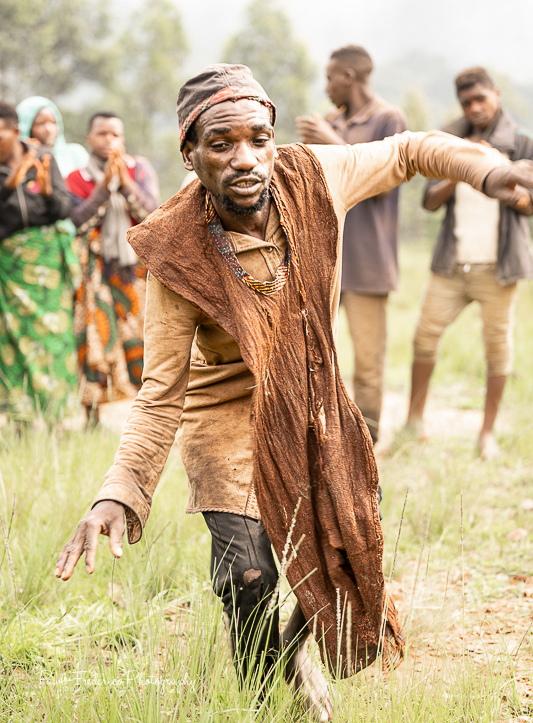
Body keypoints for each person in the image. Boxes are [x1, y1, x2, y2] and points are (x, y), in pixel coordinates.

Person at [55, 65, 533, 721]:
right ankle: (261, 701)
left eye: (259, 138)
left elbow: (409, 150)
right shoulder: (174, 252)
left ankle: (289, 654)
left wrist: (489, 172)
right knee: (247, 575)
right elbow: (161, 393)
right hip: (226, 418)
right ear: (190, 155)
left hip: (311, 401)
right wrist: (118, 492)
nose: (245, 158)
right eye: (221, 144)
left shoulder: (313, 176)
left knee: (343, 548)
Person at [405, 67, 533, 459]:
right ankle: (414, 420)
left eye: (481, 99)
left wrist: (505, 182)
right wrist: (463, 169)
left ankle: (486, 434)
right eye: (466, 103)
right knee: (424, 337)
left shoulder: (521, 142)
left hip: (498, 267)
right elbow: (428, 202)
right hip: (452, 264)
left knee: (497, 348)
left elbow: (530, 204)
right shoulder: (450, 142)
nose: (475, 108)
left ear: (496, 94)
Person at [296, 46, 406, 444]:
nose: (326, 87)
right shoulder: (331, 121)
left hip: (368, 263)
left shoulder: (388, 118)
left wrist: (332, 141)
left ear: (348, 77)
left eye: (330, 78)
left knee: (368, 362)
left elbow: (385, 182)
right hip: (324, 260)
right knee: (312, 356)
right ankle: (319, 438)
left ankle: (367, 444)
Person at [66, 111, 159, 424]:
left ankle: (147, 414)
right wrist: (105, 186)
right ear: (88, 139)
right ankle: (92, 414)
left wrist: (125, 182)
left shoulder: (139, 169)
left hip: (135, 271)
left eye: (115, 134)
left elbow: (153, 214)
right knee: (93, 337)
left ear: (123, 139)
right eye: (102, 134)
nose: (109, 140)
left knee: (142, 338)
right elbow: (77, 222)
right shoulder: (77, 179)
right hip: (94, 273)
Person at [0, 100, 79, 422]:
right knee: (12, 336)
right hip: (9, 264)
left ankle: (60, 416)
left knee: (54, 333)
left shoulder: (43, 157)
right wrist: (9, 185)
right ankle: (21, 418)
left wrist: (46, 192)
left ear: (14, 130)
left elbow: (64, 209)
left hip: (47, 262)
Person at [16, 96, 89, 177]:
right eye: (41, 123)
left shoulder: (76, 154)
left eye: (53, 122)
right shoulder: (19, 162)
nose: (49, 129)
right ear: (26, 128)